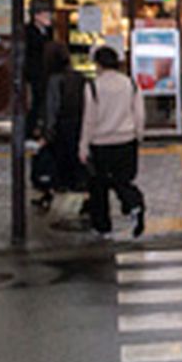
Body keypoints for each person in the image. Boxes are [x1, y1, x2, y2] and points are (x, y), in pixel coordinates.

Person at [78, 44, 146, 238]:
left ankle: (103, 227)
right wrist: (138, 135)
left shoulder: (92, 86)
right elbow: (139, 114)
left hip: (100, 142)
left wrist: (83, 146)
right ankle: (134, 203)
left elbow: (89, 120)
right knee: (123, 180)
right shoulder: (130, 84)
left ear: (98, 64)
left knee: (99, 186)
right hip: (126, 140)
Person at [33, 43, 88, 212]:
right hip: (78, 125)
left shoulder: (54, 79)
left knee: (53, 164)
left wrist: (46, 134)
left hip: (61, 128)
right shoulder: (80, 77)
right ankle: (84, 201)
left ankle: (50, 195)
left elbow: (52, 108)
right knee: (75, 165)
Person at [22, 0, 55, 140]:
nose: (49, 17)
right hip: (35, 72)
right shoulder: (28, 32)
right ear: (36, 15)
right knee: (36, 102)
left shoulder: (48, 31)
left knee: (44, 101)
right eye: (46, 14)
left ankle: (41, 129)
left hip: (46, 71)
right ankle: (29, 130)